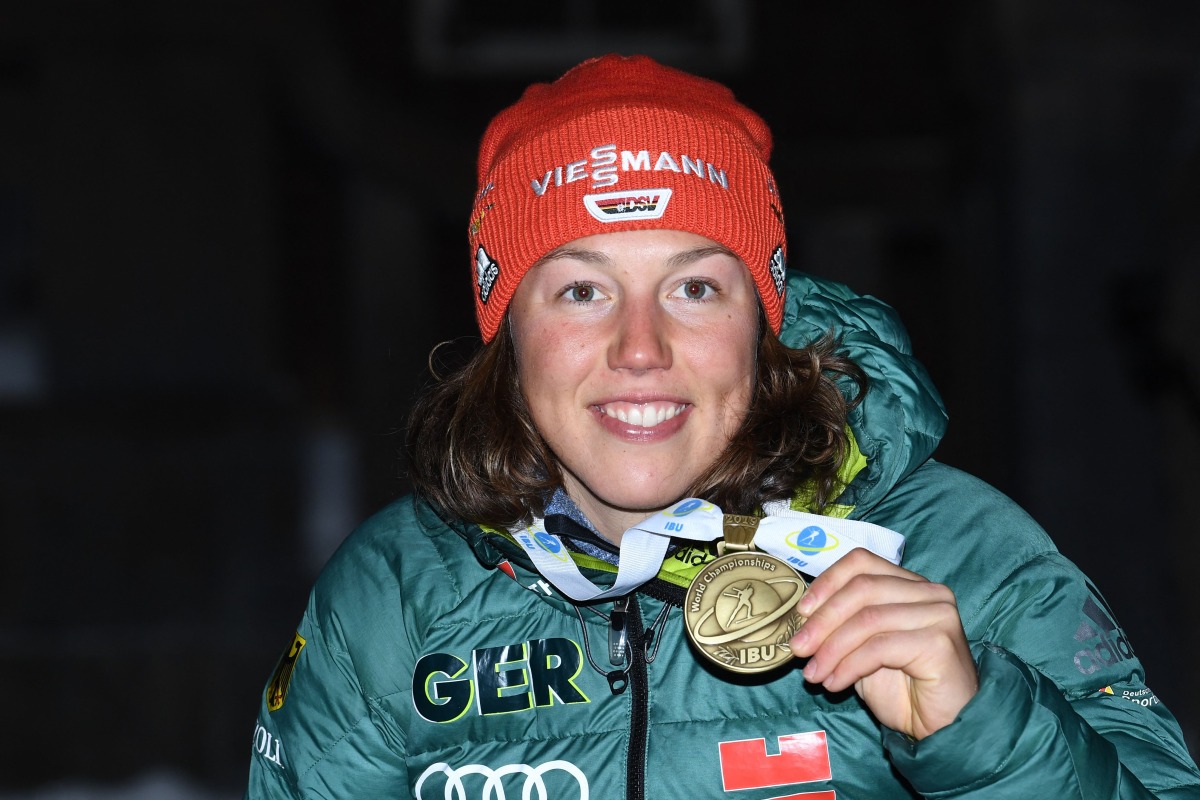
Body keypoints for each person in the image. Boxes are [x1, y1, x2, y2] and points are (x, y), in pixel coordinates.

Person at [245, 54, 1200, 799]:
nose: (641, 346)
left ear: (762, 321)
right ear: (507, 334)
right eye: (582, 290)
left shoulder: (955, 556)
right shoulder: (393, 600)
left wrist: (978, 729)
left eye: (695, 287)